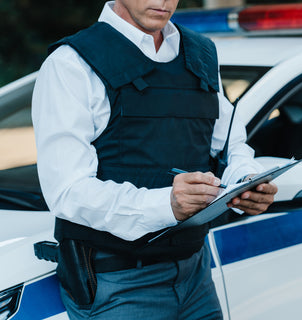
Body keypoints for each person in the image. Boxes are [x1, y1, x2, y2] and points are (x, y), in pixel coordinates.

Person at [31, 0, 278, 319]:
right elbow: (67, 191)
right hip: (118, 285)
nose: (163, 1)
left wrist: (246, 180)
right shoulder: (72, 64)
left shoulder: (200, 53)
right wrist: (168, 205)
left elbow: (230, 142)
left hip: (196, 275)